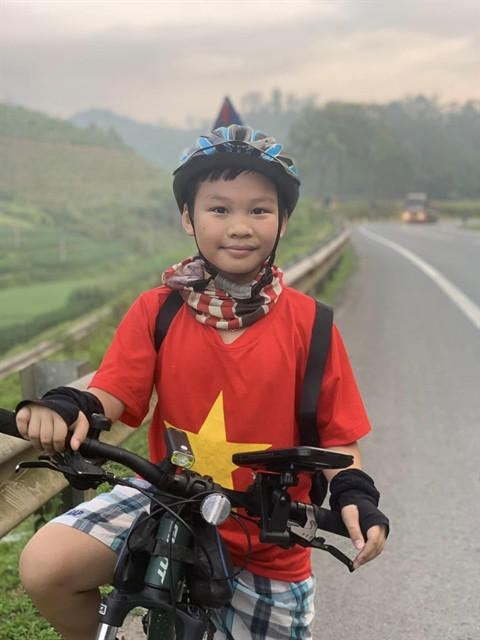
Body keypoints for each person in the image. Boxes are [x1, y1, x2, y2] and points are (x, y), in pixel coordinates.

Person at [15, 125, 389, 640]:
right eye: (219, 209)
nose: (240, 227)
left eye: (259, 210)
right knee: (46, 566)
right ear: (189, 217)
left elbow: (339, 437)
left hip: (267, 533)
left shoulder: (313, 325)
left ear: (283, 220)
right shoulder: (159, 310)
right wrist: (69, 404)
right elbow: (113, 392)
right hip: (169, 499)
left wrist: (355, 494)